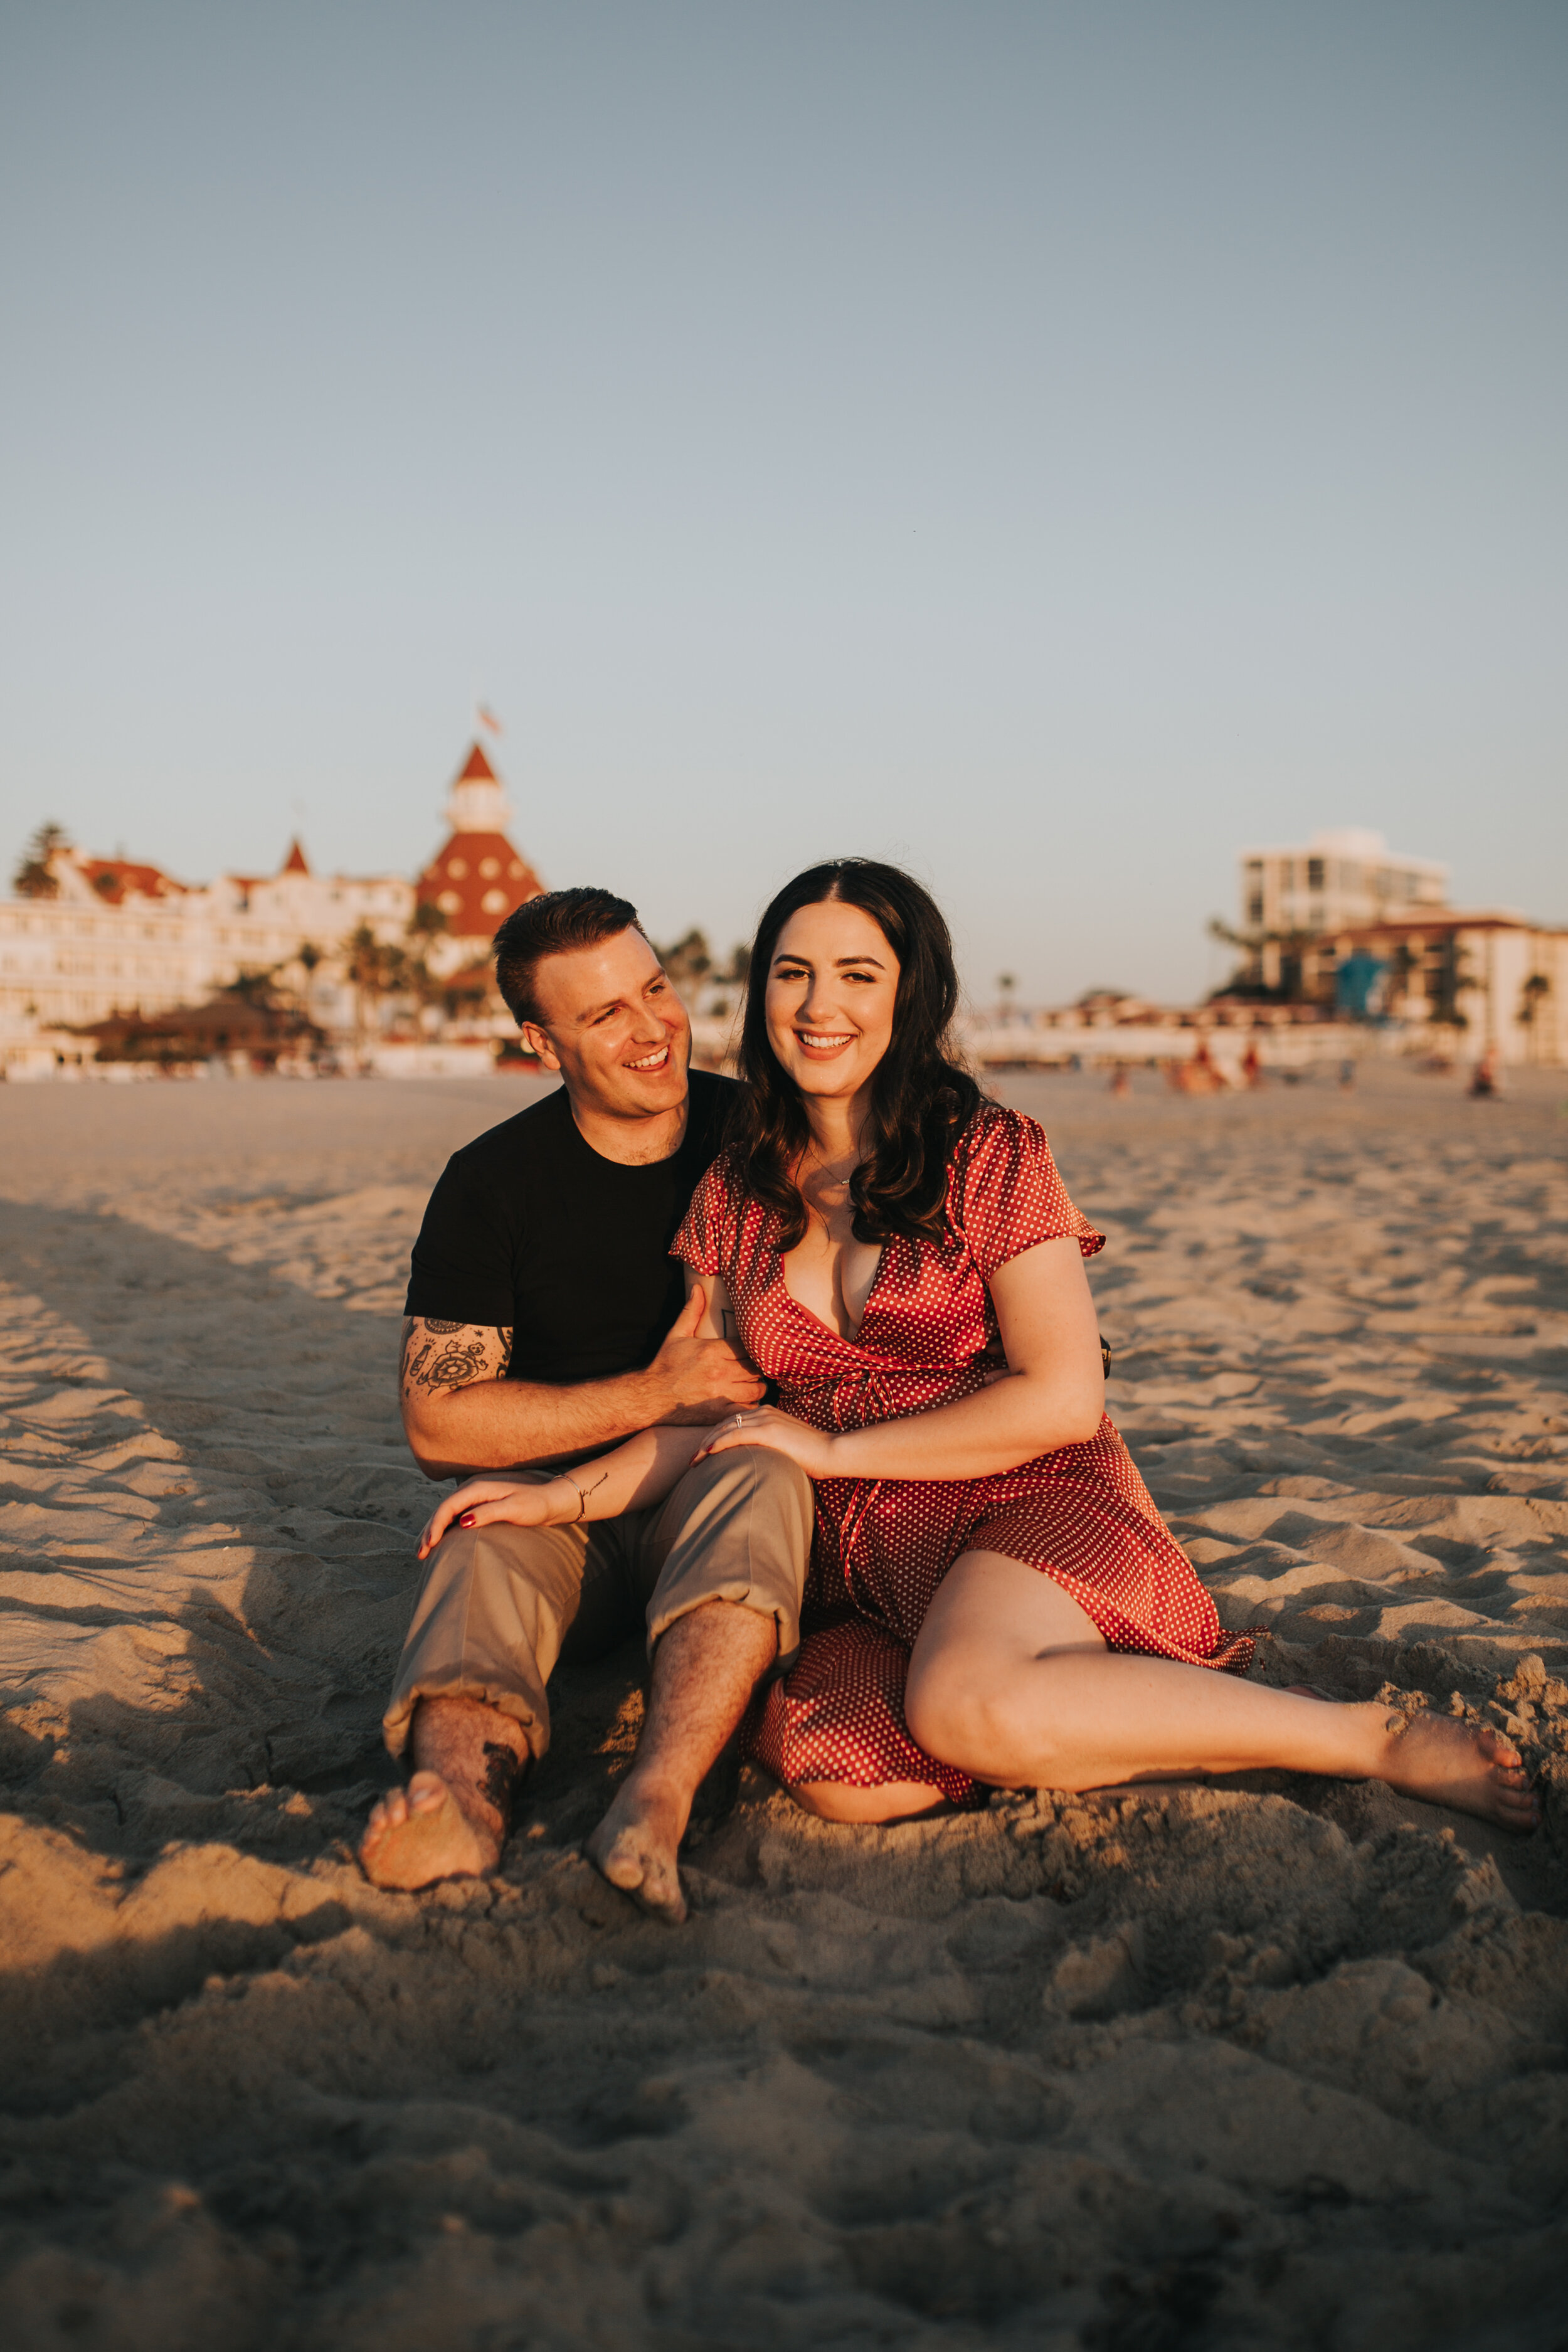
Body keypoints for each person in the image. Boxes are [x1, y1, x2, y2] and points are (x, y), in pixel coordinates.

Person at [424, 861, 1539, 1836]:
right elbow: (713, 1419)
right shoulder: (736, 1183)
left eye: (859, 973)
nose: (821, 1005)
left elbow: (1063, 1396)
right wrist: (555, 1500)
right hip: (865, 1561)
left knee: (956, 1705)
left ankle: (1364, 1738)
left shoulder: (989, 1150)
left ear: (910, 994)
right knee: (834, 1773)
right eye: (794, 972)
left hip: (1018, 1493)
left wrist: (833, 1453)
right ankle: (1061, 1716)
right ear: (760, 989)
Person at [358, 888, 813, 1917]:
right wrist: (653, 1391)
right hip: (556, 1511)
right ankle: (461, 1805)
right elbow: (439, 1424)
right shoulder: (491, 1184)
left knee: (763, 1473)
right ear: (539, 1041)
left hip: (715, 1483)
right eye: (605, 1013)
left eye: (654, 988)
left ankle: (657, 1794)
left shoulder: (761, 1139)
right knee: (477, 1529)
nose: (652, 1027)